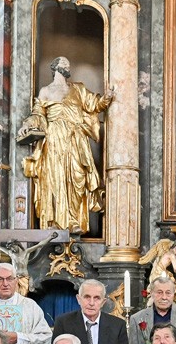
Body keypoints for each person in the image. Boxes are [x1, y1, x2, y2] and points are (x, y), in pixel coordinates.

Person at [18, 55, 113, 234]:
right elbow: (37, 114)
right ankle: (55, 222)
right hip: (54, 141)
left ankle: (74, 221)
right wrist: (26, 125)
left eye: (68, 64)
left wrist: (107, 98)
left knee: (77, 178)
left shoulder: (78, 89)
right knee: (55, 179)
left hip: (75, 140)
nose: (67, 66)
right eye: (63, 63)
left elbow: (95, 104)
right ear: (55, 67)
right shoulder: (46, 91)